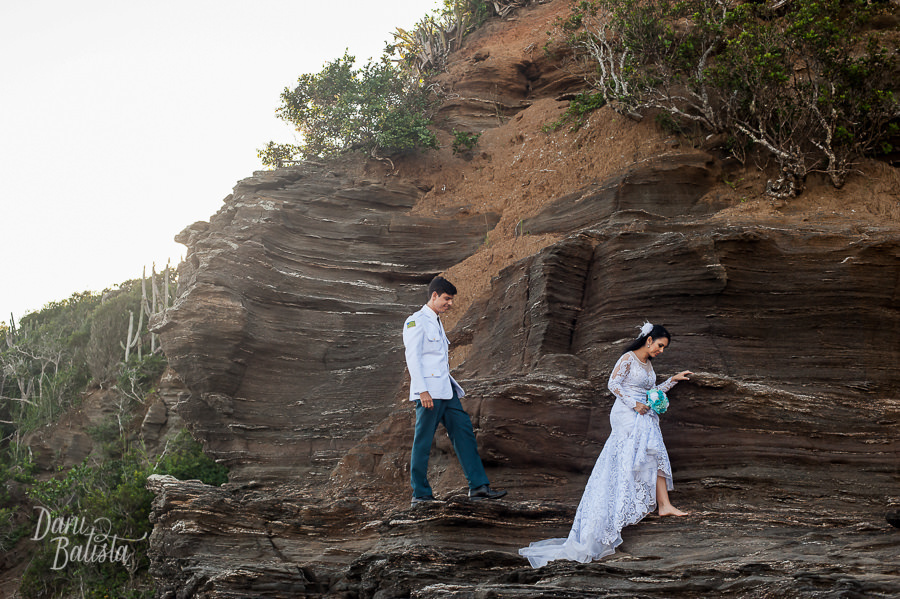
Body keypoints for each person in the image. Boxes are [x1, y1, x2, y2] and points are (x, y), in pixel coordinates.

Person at [519, 321, 692, 567]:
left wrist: (673, 380)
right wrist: (634, 404)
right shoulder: (628, 358)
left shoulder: (649, 364)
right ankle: (638, 505)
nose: (661, 351)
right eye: (660, 346)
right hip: (627, 413)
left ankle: (664, 505)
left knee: (654, 452)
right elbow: (613, 384)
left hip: (644, 412)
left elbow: (652, 392)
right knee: (637, 455)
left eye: (664, 348)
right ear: (649, 340)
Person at [403, 276, 507, 507]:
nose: (450, 303)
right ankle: (420, 495)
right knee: (423, 442)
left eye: (451, 300)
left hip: (447, 392)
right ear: (434, 296)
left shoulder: (436, 321)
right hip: (429, 393)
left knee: (464, 434)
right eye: (447, 299)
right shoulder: (416, 321)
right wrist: (422, 391)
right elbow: (413, 359)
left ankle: (479, 487)